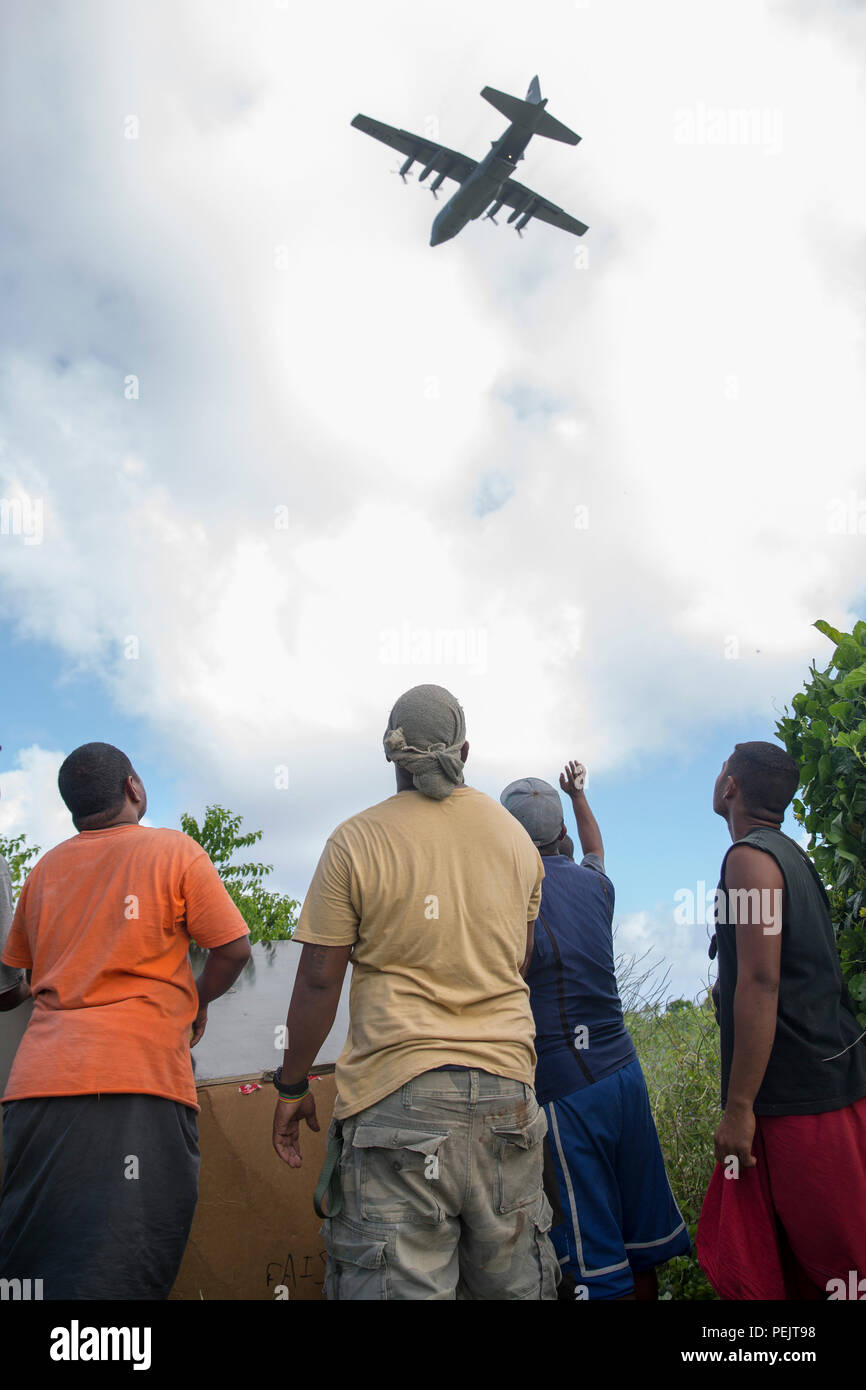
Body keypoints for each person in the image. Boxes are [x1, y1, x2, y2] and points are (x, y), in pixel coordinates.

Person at [271, 684, 559, 1300]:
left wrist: (292, 1084)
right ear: (465, 749)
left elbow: (320, 978)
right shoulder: (515, 842)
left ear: (391, 755)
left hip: (396, 1103)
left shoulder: (355, 841)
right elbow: (520, 958)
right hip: (508, 1096)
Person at [0, 741, 251, 1299]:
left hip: (36, 1089)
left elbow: (16, 980)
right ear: (134, 788)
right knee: (125, 1268)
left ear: (74, 809)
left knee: (33, 1264)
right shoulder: (173, 852)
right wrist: (198, 998)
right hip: (136, 1083)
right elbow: (233, 949)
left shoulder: (44, 870)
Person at [501, 761, 690, 1300]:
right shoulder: (596, 889)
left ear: (511, 842)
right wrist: (579, 797)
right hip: (626, 1077)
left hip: (567, 1096)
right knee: (638, 1244)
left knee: (592, 1264)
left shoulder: (513, 906)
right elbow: (595, 852)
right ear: (559, 833)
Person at [697, 741, 866, 1300]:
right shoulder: (790, 856)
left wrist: (739, 1109)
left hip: (801, 1100)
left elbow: (762, 982)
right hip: (821, 1084)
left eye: (723, 766)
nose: (719, 773)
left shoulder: (747, 858)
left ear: (731, 788)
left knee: (837, 1270)